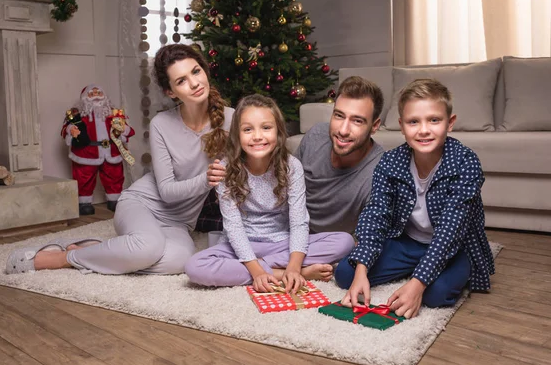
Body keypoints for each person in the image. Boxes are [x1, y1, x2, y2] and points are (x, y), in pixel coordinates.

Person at [6, 44, 234, 275]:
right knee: (148, 248)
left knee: (180, 261)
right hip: (142, 205)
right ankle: (62, 257)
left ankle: (102, 250)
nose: (194, 83)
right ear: (171, 92)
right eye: (181, 80)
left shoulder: (231, 119)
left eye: (196, 72)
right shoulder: (161, 124)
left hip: (180, 222)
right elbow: (166, 191)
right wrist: (206, 181)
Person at [335, 79, 495, 318]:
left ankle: (437, 272)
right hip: (407, 242)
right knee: (345, 275)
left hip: (452, 246)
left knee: (435, 296)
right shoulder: (390, 162)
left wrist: (418, 283)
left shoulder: (465, 162)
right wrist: (361, 271)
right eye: (413, 122)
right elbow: (376, 214)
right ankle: (411, 268)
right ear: (402, 126)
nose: (423, 130)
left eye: (434, 120)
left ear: (449, 123)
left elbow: (452, 230)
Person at [185, 94, 354, 293]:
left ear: (279, 132)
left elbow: (299, 221)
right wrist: (257, 271)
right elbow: (233, 227)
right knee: (195, 267)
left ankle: (278, 268)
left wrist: (293, 266)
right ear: (237, 135)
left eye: (266, 128)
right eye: (248, 129)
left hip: (282, 243)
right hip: (241, 245)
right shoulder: (225, 169)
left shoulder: (292, 167)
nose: (257, 136)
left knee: (345, 242)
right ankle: (279, 273)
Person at [295, 76, 385, 234]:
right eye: (339, 116)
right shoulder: (315, 136)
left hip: (331, 245)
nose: (343, 130)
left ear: (374, 126)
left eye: (357, 121)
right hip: (292, 231)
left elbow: (370, 238)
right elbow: (285, 186)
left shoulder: (380, 172)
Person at [61, 85, 135, 215]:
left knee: (114, 175)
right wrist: (71, 130)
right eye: (92, 93)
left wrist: (123, 129)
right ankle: (84, 202)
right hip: (87, 152)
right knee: (84, 177)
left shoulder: (113, 113)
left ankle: (114, 200)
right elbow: (65, 129)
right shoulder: (78, 115)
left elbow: (128, 130)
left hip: (111, 151)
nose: (96, 95)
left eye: (99, 93)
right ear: (84, 98)